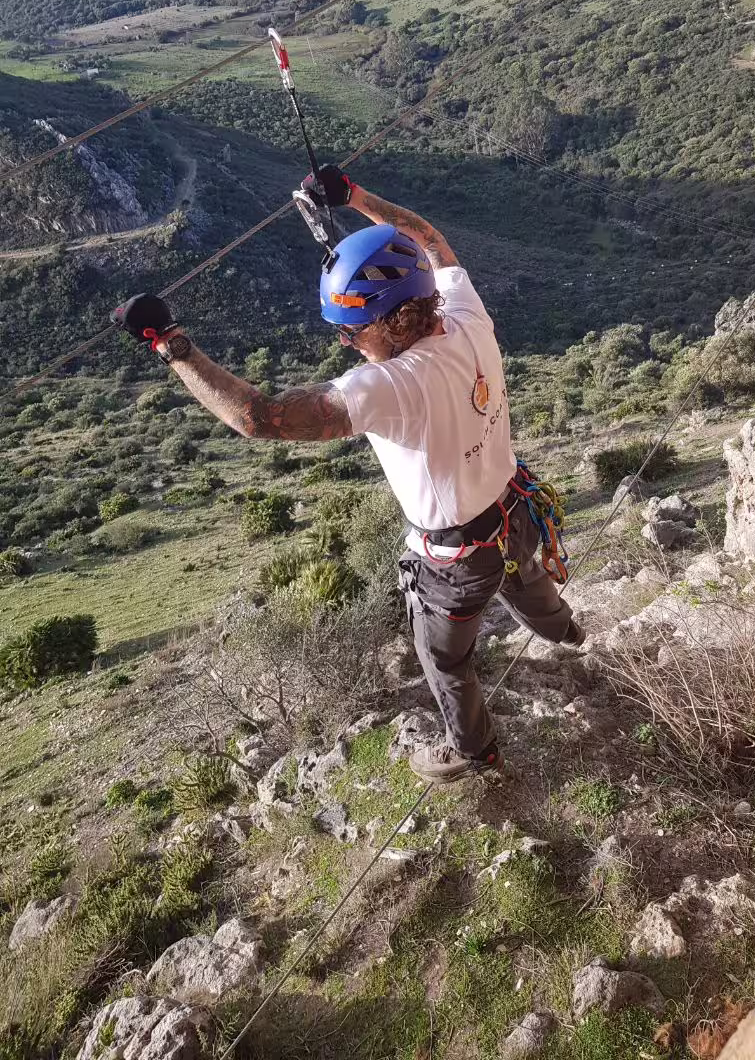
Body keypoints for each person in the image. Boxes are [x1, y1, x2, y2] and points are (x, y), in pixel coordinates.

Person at [113, 165, 583, 783]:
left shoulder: (392, 386)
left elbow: (260, 418)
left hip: (458, 556)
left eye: (349, 331)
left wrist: (169, 343)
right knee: (528, 583)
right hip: (513, 507)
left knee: (444, 661)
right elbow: (430, 240)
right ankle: (566, 631)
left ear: (388, 323)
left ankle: (474, 752)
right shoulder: (468, 314)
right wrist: (356, 196)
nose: (345, 344)